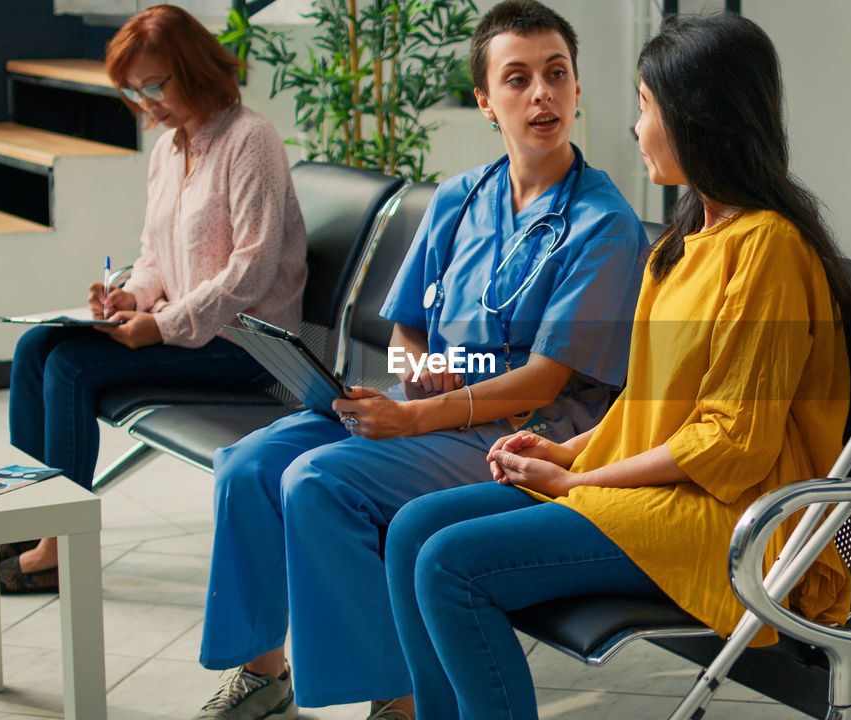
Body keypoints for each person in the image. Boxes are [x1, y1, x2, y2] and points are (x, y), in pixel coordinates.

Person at [384, 12, 851, 720]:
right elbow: (649, 403)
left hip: (721, 520)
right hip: (652, 494)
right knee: (412, 531)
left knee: (450, 566)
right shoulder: (686, 238)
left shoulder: (768, 249)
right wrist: (565, 448)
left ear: (697, 120)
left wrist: (578, 479)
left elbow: (731, 443)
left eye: (646, 108)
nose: (635, 129)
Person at [190, 2, 650, 719]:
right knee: (249, 465)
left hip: (524, 433)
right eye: (518, 78)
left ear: (578, 88)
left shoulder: (603, 225)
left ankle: (397, 700)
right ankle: (261, 668)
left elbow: (542, 380)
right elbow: (406, 328)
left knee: (320, 481)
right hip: (432, 411)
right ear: (485, 100)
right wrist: (420, 370)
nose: (541, 95)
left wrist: (414, 415)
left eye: (557, 74)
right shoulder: (460, 199)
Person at [2, 3, 307, 594]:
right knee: (35, 346)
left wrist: (161, 325)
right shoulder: (171, 148)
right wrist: (128, 296)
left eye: (153, 85)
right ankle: (28, 518)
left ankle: (60, 547)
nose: (146, 103)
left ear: (192, 67)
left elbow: (251, 268)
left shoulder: (250, 139)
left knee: (70, 365)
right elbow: (155, 254)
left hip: (247, 344)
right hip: (192, 331)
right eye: (133, 91)